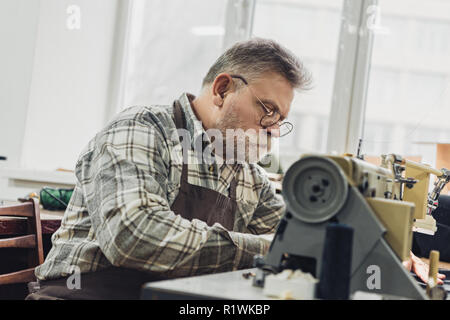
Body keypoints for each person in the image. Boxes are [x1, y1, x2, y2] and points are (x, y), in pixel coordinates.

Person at [26, 38, 310, 300]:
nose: (273, 130)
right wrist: (266, 249)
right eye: (268, 110)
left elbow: (301, 241)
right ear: (222, 89)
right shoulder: (142, 129)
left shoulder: (249, 176)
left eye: (280, 119)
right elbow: (134, 236)